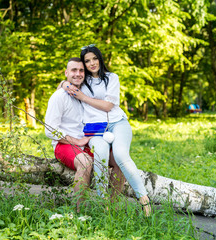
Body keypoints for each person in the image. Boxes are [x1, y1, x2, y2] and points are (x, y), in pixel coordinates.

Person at [61, 45, 151, 216]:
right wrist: (65, 83)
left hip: (117, 123)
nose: (92, 63)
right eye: (87, 61)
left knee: (121, 155)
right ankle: (104, 203)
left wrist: (83, 97)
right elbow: (63, 84)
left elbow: (109, 106)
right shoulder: (82, 80)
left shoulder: (112, 78)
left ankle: (144, 199)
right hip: (95, 129)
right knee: (100, 153)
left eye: (94, 58)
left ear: (100, 59)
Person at [45, 57, 93, 212]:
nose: (78, 74)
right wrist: (76, 141)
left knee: (115, 159)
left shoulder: (85, 94)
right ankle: (80, 212)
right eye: (74, 70)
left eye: (81, 70)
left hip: (86, 143)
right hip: (64, 145)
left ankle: (112, 209)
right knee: (85, 162)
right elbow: (50, 129)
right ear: (66, 73)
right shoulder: (59, 96)